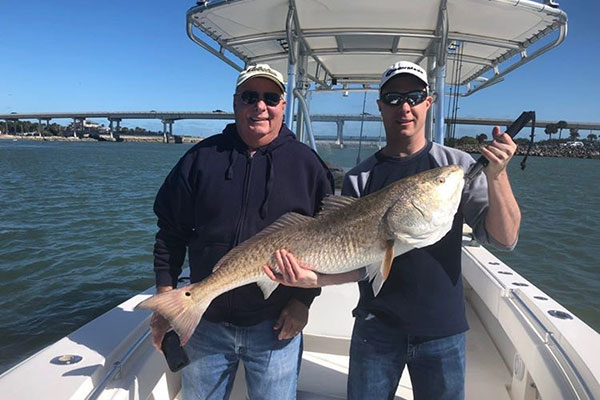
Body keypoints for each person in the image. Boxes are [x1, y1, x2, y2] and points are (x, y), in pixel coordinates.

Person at [263, 61, 521, 399]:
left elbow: (505, 238)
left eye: (414, 96)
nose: (405, 107)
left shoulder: (456, 168)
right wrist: (317, 280)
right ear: (380, 106)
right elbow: (358, 260)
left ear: (429, 102)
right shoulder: (360, 177)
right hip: (376, 328)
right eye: (393, 98)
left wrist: (498, 175)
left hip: (443, 330)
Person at [150, 63, 334, 399]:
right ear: (236, 102)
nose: (260, 105)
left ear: (282, 105)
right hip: (205, 324)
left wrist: (303, 301)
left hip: (276, 326)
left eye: (271, 97)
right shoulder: (200, 159)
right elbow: (170, 232)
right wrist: (166, 298)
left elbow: (326, 240)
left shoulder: (308, 166)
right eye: (250, 96)